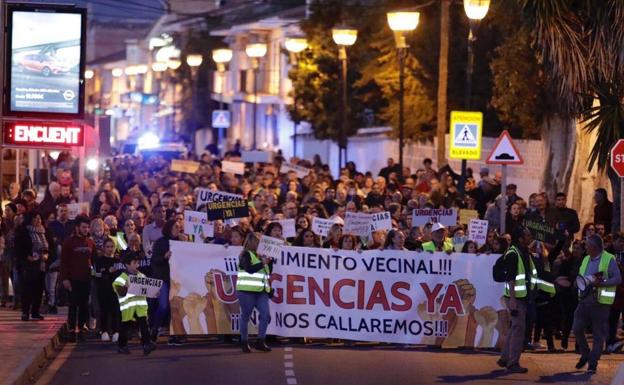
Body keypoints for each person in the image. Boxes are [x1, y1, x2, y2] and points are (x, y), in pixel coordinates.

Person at [573, 234, 621, 374]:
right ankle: (585, 353)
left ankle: (592, 363)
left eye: (587, 245)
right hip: (584, 300)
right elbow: (580, 276)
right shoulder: (586, 259)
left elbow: (617, 279)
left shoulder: (609, 259)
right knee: (576, 328)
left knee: (597, 333)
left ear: (593, 247)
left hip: (600, 303)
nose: (585, 247)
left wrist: (602, 284)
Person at [498, 226, 535, 373]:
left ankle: (505, 359)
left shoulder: (522, 251)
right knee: (519, 330)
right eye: (527, 235)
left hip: (521, 297)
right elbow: (511, 277)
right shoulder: (514, 253)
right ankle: (513, 363)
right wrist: (512, 299)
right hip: (516, 299)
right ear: (520, 238)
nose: (530, 237)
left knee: (515, 328)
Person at [61, 215, 97, 342]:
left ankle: (81, 329)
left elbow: (95, 260)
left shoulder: (91, 243)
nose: (86, 229)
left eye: (87, 227)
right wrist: (65, 279)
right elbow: (63, 262)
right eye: (84, 227)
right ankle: (71, 330)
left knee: (84, 306)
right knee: (73, 305)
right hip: (72, 280)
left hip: (86, 280)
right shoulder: (68, 243)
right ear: (77, 228)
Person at [235, 232, 272, 353]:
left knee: (266, 316)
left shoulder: (261, 256)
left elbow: (266, 273)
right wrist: (263, 263)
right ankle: (244, 342)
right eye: (260, 241)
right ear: (253, 242)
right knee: (246, 317)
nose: (263, 244)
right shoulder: (245, 254)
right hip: (246, 292)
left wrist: (268, 262)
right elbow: (249, 269)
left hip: (261, 292)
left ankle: (260, 341)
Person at [112, 252, 155, 355]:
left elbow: (147, 290)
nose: (137, 265)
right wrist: (125, 287)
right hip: (128, 308)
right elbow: (119, 291)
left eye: (138, 263)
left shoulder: (142, 276)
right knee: (125, 327)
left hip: (140, 307)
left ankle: (146, 345)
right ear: (127, 264)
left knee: (144, 325)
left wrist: (154, 291)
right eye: (134, 263)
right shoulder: (122, 277)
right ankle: (122, 346)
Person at [150, 219, 184, 345]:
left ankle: (174, 335)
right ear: (169, 228)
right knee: (163, 306)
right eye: (176, 226)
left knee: (175, 308)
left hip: (177, 280)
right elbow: (154, 261)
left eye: (179, 227)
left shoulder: (181, 242)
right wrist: (164, 257)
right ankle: (154, 329)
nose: (178, 229)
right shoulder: (160, 242)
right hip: (163, 279)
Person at [16, 212, 52, 321]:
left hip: (41, 264)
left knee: (38, 289)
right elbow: (18, 247)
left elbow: (50, 246)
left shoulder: (44, 231)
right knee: (27, 289)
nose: (38, 220)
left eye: (39, 218)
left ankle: (35, 311)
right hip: (28, 265)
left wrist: (46, 254)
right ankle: (25, 312)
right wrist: (27, 256)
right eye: (35, 218)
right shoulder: (24, 231)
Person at [94, 238, 122, 342]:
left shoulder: (118, 260)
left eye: (112, 247)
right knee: (104, 310)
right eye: (108, 247)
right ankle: (104, 331)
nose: (110, 249)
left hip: (116, 290)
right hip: (103, 288)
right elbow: (96, 274)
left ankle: (116, 331)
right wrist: (107, 271)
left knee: (116, 311)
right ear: (104, 248)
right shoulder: (99, 260)